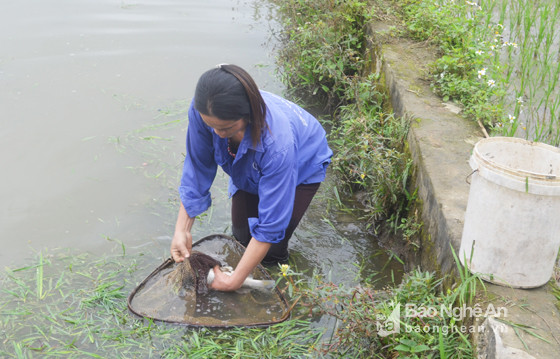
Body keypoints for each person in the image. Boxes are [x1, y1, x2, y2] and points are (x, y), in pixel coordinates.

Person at [170, 64, 333, 291]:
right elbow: (197, 169)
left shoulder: (278, 145)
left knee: (274, 247)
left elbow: (270, 226)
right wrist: (182, 230)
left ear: (247, 115)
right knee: (241, 236)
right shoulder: (203, 113)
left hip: (302, 162)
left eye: (226, 127)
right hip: (248, 161)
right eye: (211, 126)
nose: (217, 133)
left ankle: (280, 282)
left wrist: (233, 281)